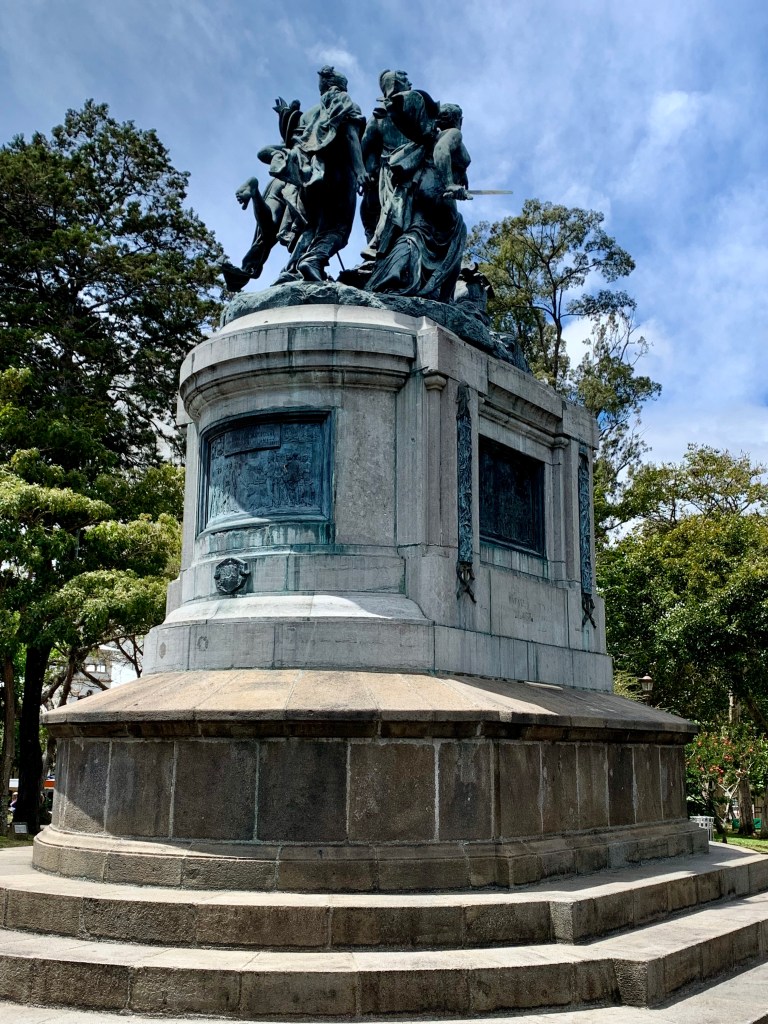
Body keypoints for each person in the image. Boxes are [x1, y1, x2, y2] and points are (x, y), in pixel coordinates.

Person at [365, 94, 471, 302]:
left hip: (420, 191)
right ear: (459, 119)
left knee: (415, 235)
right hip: (440, 193)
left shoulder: (430, 138)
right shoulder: (453, 133)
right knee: (456, 234)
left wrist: (460, 175)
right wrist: (450, 182)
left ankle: (389, 278)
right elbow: (442, 151)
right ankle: (445, 298)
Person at [269, 66, 366, 283]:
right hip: (339, 177)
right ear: (343, 87)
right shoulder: (346, 104)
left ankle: (292, 270)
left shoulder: (310, 113)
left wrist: (285, 117)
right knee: (338, 229)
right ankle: (313, 260)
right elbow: (351, 137)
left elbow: (295, 142)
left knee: (311, 226)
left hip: (310, 178)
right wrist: (360, 171)